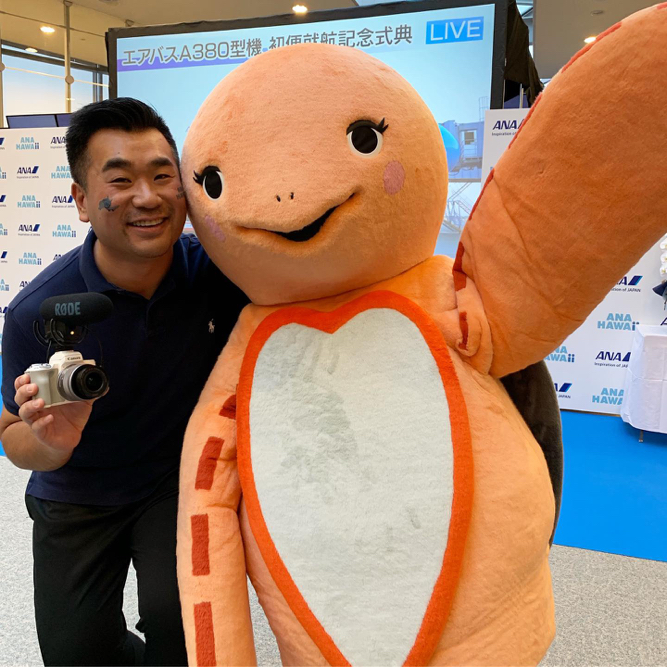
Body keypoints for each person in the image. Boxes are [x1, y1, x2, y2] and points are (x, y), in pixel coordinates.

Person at [0, 98, 247, 666]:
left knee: (182, 626)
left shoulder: (220, 273)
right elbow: (12, 435)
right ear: (82, 201)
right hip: (77, 491)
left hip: (176, 482)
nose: (147, 196)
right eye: (121, 179)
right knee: (76, 653)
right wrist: (51, 443)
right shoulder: (38, 309)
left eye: (164, 176)